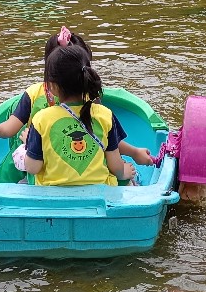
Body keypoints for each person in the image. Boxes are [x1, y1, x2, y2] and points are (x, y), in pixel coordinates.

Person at [0, 27, 153, 181]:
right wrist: (133, 154)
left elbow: (104, 137)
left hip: (44, 163)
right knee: (120, 174)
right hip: (58, 158)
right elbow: (108, 141)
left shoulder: (41, 115)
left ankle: (1, 188)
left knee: (18, 154)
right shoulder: (93, 105)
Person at [21, 44, 137, 186]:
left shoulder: (41, 119)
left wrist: (28, 144)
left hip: (52, 195)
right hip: (99, 192)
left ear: (53, 86)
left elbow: (33, 168)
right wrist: (124, 173)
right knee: (131, 181)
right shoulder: (105, 114)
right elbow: (116, 166)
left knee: (24, 181)